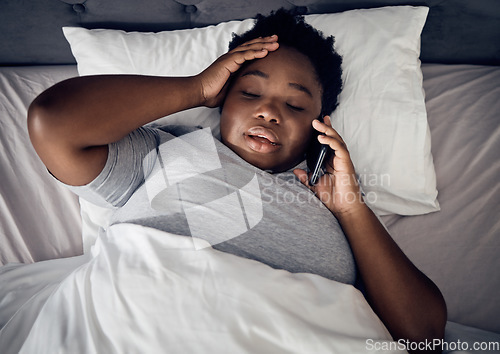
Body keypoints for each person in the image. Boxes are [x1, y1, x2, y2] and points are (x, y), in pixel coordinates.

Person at [28, 8, 446, 350]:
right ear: (223, 99)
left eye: (295, 104)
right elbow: (53, 124)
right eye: (249, 93)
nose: (268, 112)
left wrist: (351, 208)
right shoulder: (166, 153)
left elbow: (424, 334)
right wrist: (195, 88)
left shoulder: (335, 209)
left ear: (320, 123)